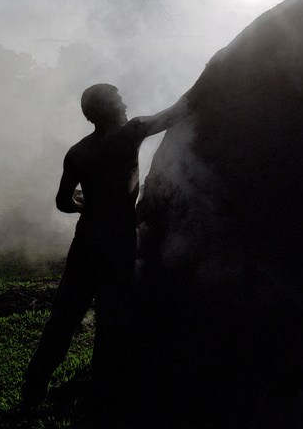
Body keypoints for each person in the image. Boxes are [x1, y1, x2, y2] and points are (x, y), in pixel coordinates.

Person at [21, 83, 191, 413]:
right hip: (117, 244)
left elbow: (62, 203)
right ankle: (100, 398)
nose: (125, 103)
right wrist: (216, 71)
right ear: (109, 109)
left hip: (85, 243)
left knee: (63, 319)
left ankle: (31, 391)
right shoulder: (133, 132)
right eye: (118, 100)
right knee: (110, 323)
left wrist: (89, 204)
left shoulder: (78, 151)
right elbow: (179, 111)